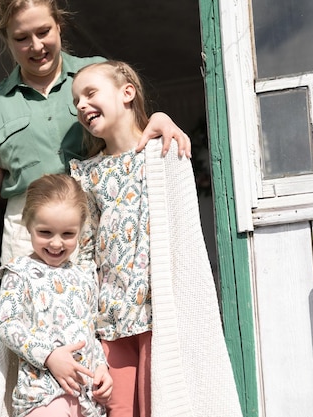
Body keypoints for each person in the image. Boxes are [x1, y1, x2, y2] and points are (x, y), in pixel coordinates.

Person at [0, 0, 192, 265]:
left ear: (59, 26)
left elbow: (131, 132)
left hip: (99, 219)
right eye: (22, 38)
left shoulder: (95, 73)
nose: (36, 46)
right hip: (29, 234)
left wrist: (160, 119)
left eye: (43, 31)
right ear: (7, 40)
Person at [69, 60, 243, 417]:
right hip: (111, 320)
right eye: (76, 102)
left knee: (162, 406)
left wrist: (160, 118)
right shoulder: (86, 174)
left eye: (90, 94)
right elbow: (84, 253)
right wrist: (85, 322)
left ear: (127, 92)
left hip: (155, 315)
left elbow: (184, 237)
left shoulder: (163, 152)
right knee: (118, 410)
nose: (82, 105)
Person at [0, 173, 112, 417]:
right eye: (45, 232)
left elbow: (90, 333)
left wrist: (101, 368)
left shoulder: (84, 277)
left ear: (80, 230)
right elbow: (6, 324)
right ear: (28, 225)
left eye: (67, 234)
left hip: (86, 400)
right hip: (42, 396)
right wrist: (49, 356)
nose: (56, 244)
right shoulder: (19, 272)